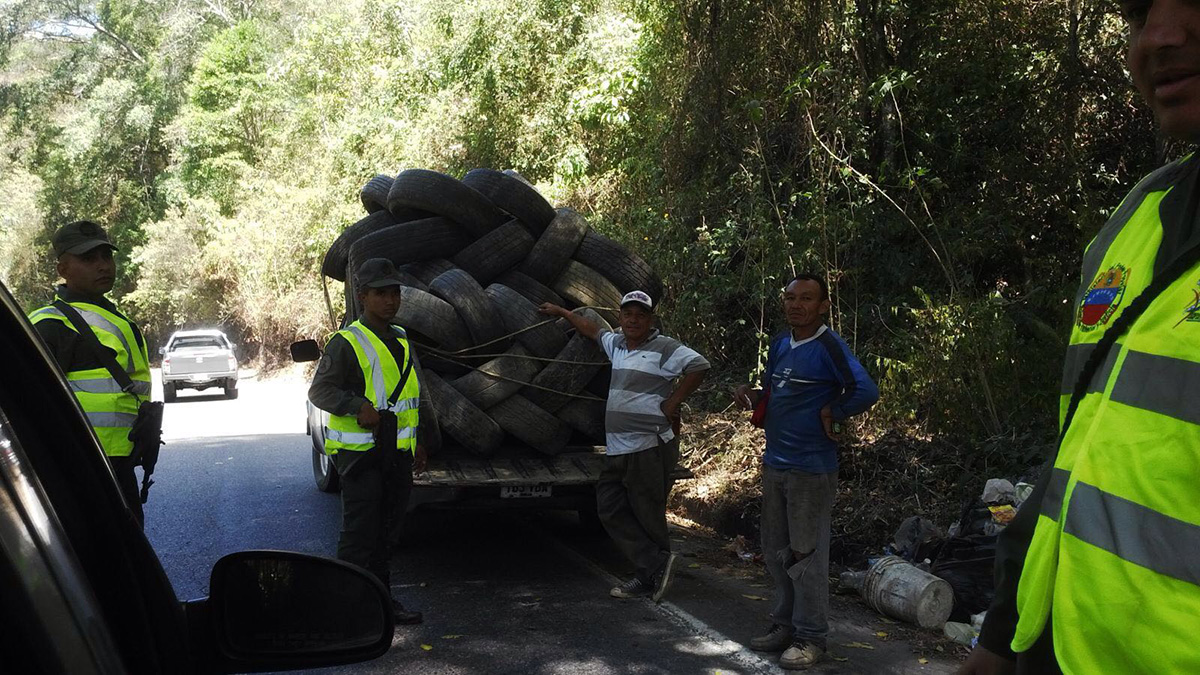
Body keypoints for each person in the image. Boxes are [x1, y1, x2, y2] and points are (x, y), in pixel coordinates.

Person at [962, 2, 1200, 672]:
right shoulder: (1140, 215)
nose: (1159, 37)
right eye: (1140, 12)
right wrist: (1001, 635)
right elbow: (1080, 450)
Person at [733, 273, 879, 670]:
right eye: (791, 297)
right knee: (777, 551)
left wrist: (834, 411)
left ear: (823, 306)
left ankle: (811, 637)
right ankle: (784, 625)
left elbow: (866, 390)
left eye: (807, 298)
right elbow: (773, 389)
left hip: (811, 470)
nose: (796, 304)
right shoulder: (781, 342)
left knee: (807, 555)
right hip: (775, 462)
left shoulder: (829, 346)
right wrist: (752, 394)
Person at [540, 290, 709, 602]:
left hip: (648, 445)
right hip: (617, 447)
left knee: (647, 511)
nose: (633, 320)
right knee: (609, 506)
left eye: (640, 315)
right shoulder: (616, 344)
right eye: (628, 314)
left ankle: (649, 576)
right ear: (620, 317)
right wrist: (563, 312)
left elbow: (699, 365)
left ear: (650, 320)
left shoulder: (664, 347)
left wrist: (672, 402)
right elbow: (591, 329)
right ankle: (656, 564)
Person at [308, 258, 428, 625]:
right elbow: (320, 390)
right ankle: (346, 609)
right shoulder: (346, 342)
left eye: (395, 293)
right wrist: (356, 405)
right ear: (363, 297)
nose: (391, 301)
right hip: (360, 457)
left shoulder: (402, 339)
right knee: (360, 535)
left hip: (397, 454)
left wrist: (418, 441)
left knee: (387, 535)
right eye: (381, 294)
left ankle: (380, 602)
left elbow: (411, 396)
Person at [29, 220, 153, 526]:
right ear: (63, 270)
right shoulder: (50, 325)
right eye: (88, 259)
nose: (102, 266)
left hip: (117, 462)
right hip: (82, 466)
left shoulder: (108, 313)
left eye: (106, 256)